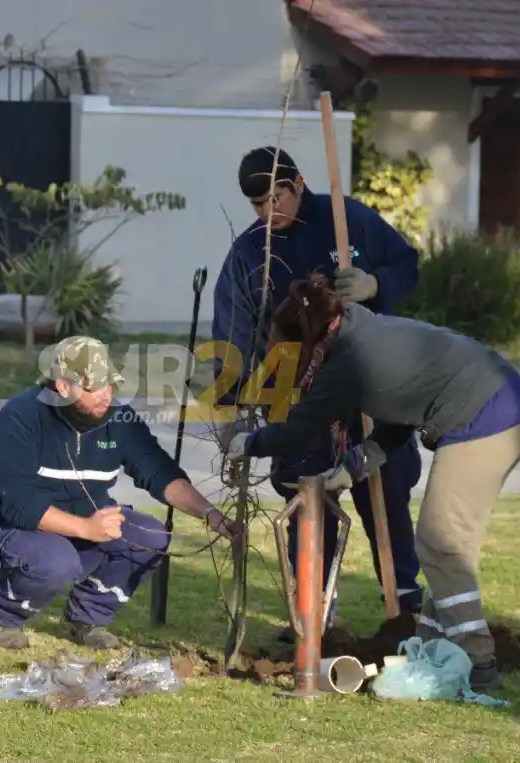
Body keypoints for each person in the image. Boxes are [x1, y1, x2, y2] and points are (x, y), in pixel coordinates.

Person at [225, 273, 520, 692]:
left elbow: (297, 430)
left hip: (487, 417)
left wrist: (248, 443)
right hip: (504, 407)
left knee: (441, 543)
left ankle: (479, 665)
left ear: (308, 340)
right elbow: (402, 414)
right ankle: (436, 651)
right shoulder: (362, 329)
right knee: (447, 548)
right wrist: (355, 466)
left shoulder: (347, 362)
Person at [210, 146, 424, 637]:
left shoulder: (346, 219)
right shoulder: (250, 252)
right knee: (307, 498)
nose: (268, 212)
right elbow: (233, 333)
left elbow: (408, 266)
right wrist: (233, 405)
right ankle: (315, 612)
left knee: (385, 490)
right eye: (256, 205)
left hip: (369, 381)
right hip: (296, 390)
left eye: (274, 198)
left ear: (298, 183)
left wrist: (374, 284)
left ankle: (406, 606)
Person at [0, 335, 239, 650]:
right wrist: (86, 528)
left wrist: (212, 515)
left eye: (109, 385)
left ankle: (87, 618)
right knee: (57, 561)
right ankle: (4, 613)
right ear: (62, 386)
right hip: (11, 528)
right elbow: (17, 503)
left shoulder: (119, 419)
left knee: (150, 538)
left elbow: (159, 473)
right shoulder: (19, 417)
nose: (105, 395)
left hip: (85, 521)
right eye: (93, 387)